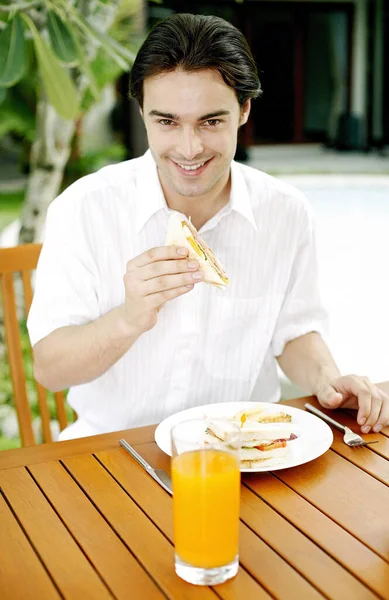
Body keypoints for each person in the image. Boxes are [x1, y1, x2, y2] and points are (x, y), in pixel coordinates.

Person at [28, 13, 389, 440]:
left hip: (248, 449)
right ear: (142, 112)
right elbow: (50, 369)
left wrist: (327, 380)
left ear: (244, 110)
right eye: (166, 122)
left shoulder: (285, 212)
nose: (189, 147)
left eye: (211, 121)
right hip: (113, 451)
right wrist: (128, 318)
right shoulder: (83, 209)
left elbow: (294, 333)